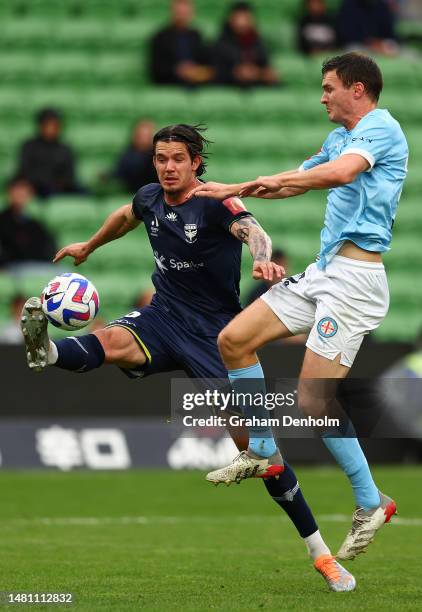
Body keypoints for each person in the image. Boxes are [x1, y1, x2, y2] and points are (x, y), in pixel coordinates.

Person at [20, 124, 355, 592]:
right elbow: (124, 215)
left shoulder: (215, 201)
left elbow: (252, 229)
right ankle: (48, 350)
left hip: (218, 337)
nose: (169, 166)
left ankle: (320, 553)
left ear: (196, 162)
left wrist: (260, 257)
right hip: (164, 317)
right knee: (114, 342)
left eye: (178, 158)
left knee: (261, 452)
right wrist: (89, 246)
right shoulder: (150, 198)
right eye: (161, 158)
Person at [188, 52, 407, 561]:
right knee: (234, 340)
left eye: (329, 87)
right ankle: (262, 449)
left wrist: (248, 186)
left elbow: (338, 175)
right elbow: (291, 181)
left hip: (356, 280)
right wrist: (234, 190)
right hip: (325, 270)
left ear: (358, 88)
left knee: (312, 402)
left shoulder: (381, 130)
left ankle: (371, 500)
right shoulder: (338, 139)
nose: (322, 95)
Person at [16, 108, 82, 199]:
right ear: (40, 126)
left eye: (54, 125)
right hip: (37, 190)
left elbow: (69, 176)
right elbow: (25, 172)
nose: (51, 129)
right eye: (48, 124)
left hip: (60, 190)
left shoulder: (65, 149)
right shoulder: (29, 147)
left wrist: (58, 185)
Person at [213, 2, 279, 87]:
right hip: (230, 87)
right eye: (239, 18)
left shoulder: (257, 41)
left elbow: (265, 65)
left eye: (246, 18)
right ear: (231, 19)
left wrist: (261, 73)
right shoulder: (221, 44)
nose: (242, 22)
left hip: (256, 86)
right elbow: (216, 72)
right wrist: (235, 73)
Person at [149, 0, 214, 86]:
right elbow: (156, 68)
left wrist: (196, 70)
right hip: (171, 82)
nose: (182, 16)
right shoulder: (160, 37)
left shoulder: (196, 35)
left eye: (185, 12)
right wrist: (177, 70)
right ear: (172, 12)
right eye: (179, 12)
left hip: (196, 82)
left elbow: (204, 59)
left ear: (192, 14)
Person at [0, 176, 56, 269]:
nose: (20, 195)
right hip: (13, 267)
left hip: (39, 265)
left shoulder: (35, 224)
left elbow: (49, 246)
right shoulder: (2, 221)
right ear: (9, 193)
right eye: (17, 191)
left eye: (24, 192)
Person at [112, 120, 157, 193]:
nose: (145, 140)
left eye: (148, 136)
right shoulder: (126, 157)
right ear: (135, 136)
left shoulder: (161, 157)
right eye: (142, 136)